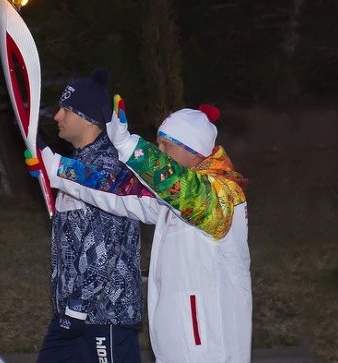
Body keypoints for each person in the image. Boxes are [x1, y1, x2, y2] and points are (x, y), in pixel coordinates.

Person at [40, 99, 252, 363]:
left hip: (210, 341)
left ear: (195, 153)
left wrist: (131, 147)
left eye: (167, 146)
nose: (159, 151)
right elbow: (118, 191)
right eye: (157, 144)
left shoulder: (220, 196)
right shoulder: (172, 198)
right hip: (178, 339)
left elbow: (181, 187)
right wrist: (59, 169)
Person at [34, 68, 144, 363]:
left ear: (88, 118)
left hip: (103, 315)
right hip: (71, 314)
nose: (57, 116)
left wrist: (77, 307)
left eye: (66, 110)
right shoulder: (79, 164)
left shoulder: (109, 169)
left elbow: (103, 249)